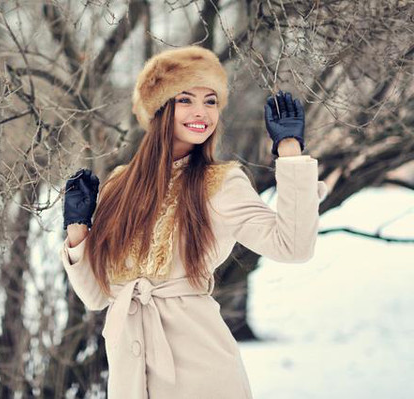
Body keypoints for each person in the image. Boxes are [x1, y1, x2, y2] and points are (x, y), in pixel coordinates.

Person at [60, 46, 328, 399]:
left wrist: (290, 152)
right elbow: (97, 296)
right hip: (130, 374)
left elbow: (294, 247)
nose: (201, 112)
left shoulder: (221, 183)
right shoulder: (118, 185)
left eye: (211, 101)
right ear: (160, 108)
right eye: (186, 99)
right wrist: (78, 228)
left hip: (202, 371)